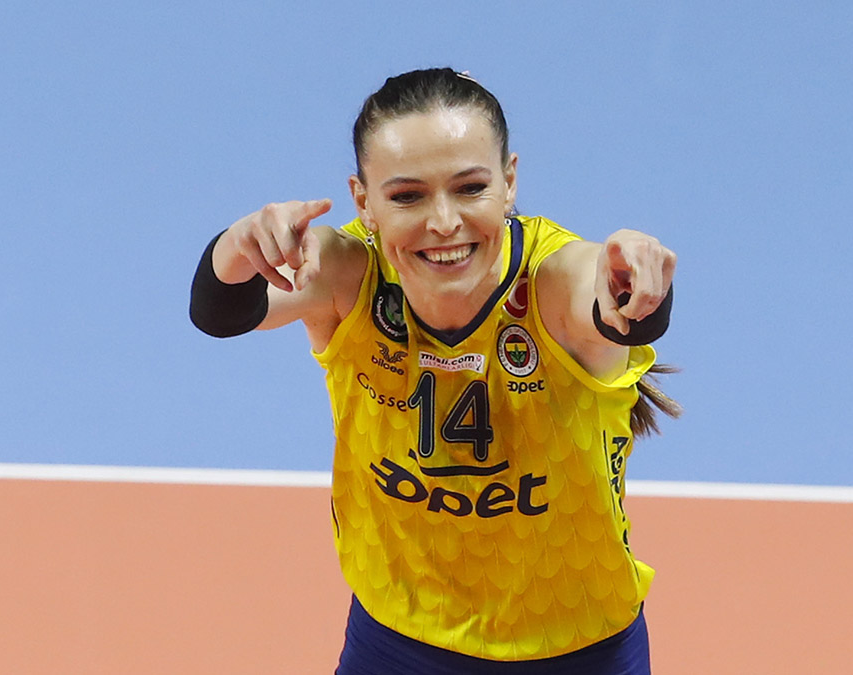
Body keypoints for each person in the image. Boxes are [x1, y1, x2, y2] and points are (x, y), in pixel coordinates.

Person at [189, 67, 680, 674]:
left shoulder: (551, 279)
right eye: (407, 196)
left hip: (578, 646)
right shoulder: (346, 273)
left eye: (470, 188)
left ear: (509, 181)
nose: (444, 222)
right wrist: (238, 245)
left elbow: (617, 311)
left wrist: (632, 278)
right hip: (397, 639)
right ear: (363, 201)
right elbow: (221, 310)